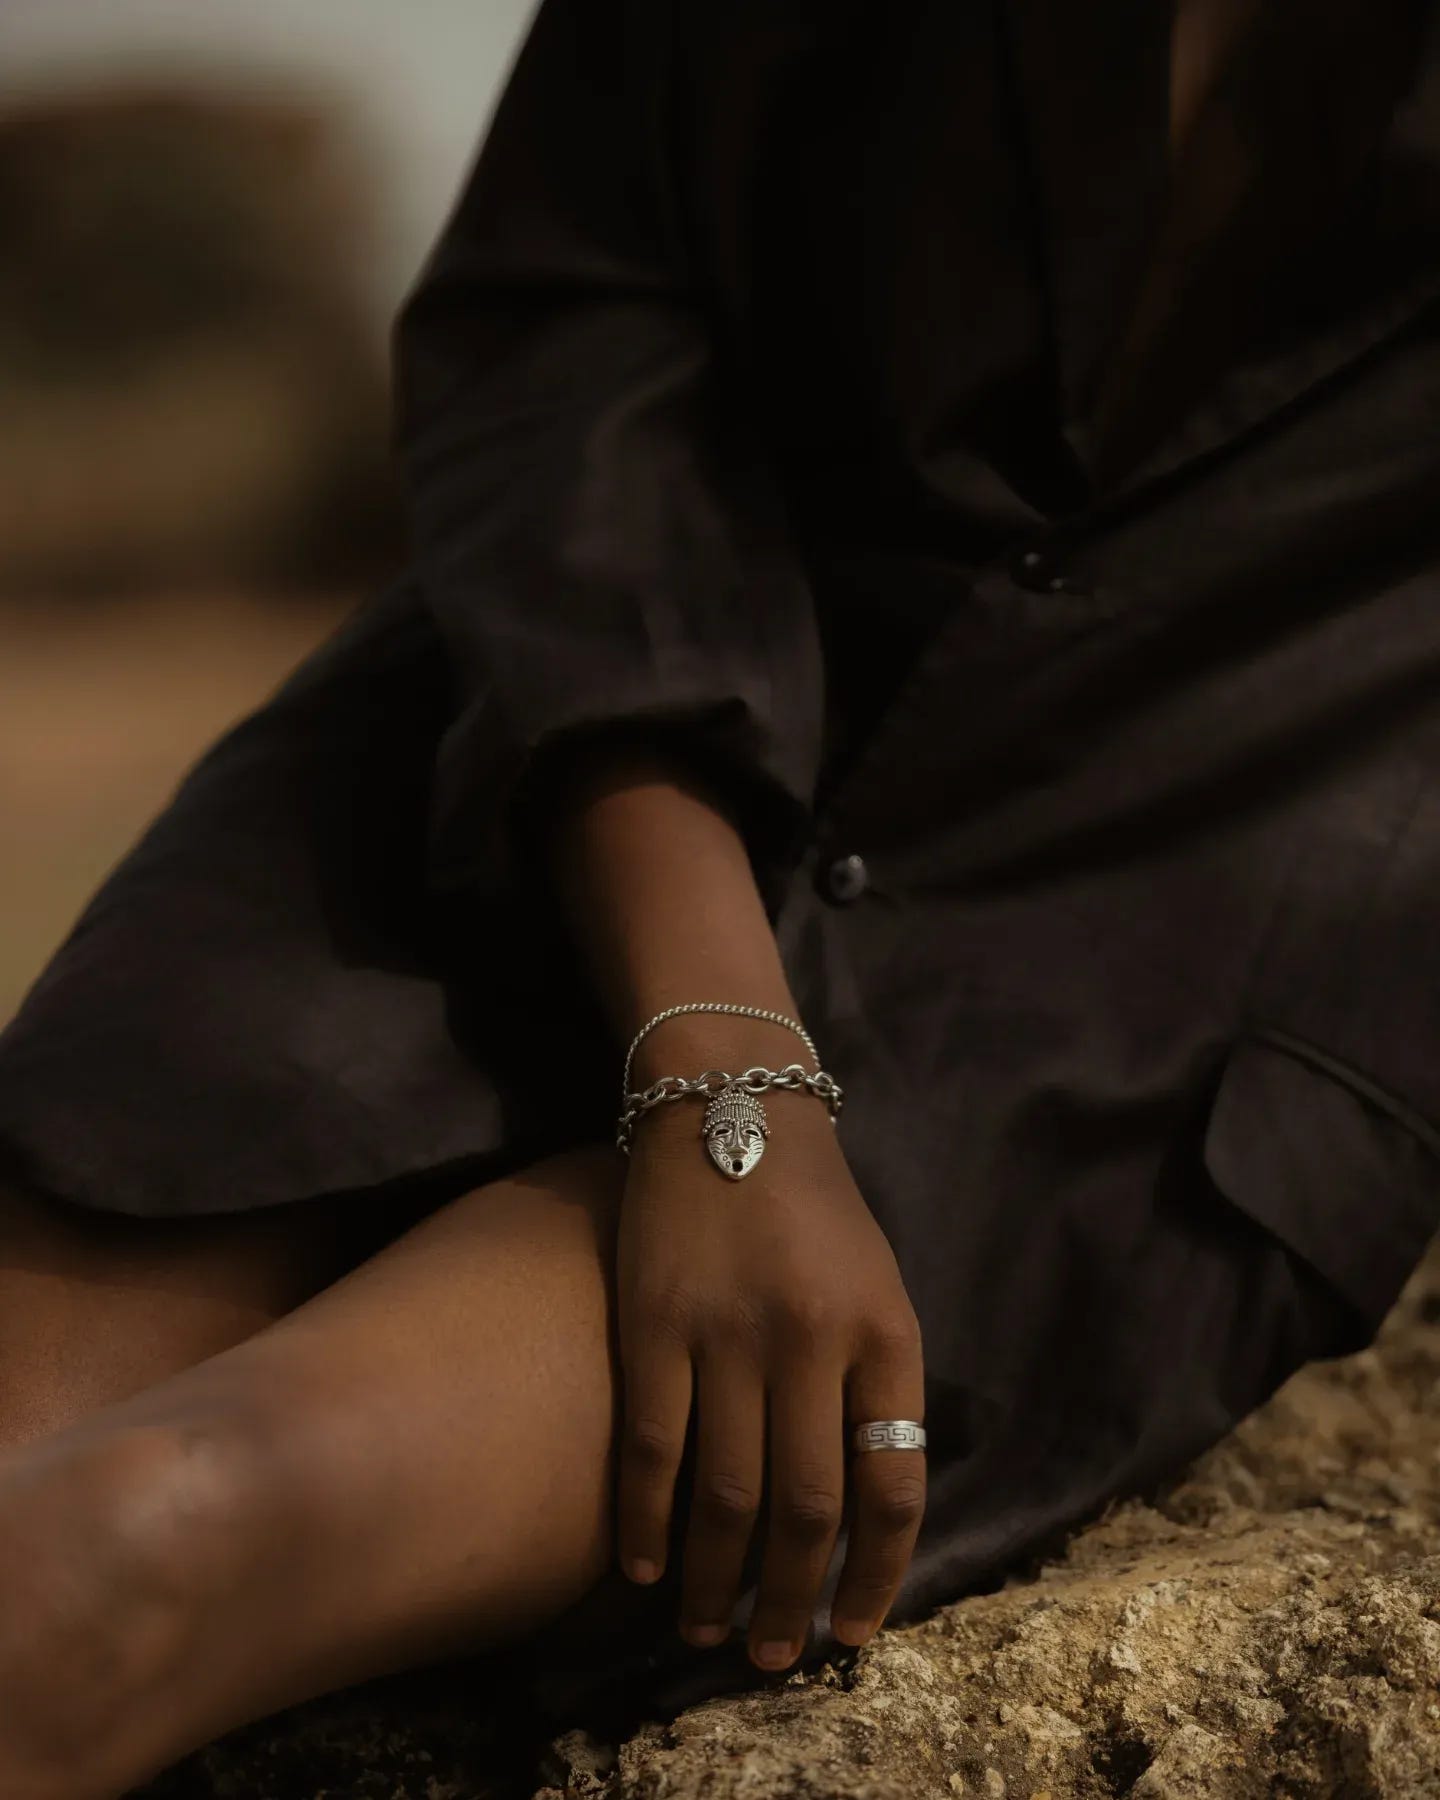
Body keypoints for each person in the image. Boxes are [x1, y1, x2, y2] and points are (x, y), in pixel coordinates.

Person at [1, 0, 1439, 1791]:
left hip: (1125, 1028)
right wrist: (725, 1055)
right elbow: (572, 300)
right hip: (517, 770)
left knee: (136, 1549)